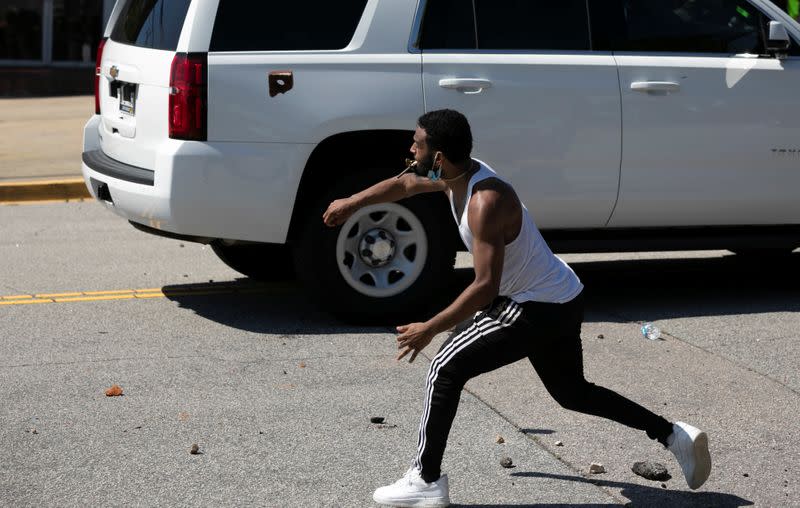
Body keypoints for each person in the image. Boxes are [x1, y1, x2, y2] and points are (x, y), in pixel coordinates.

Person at [323, 109, 711, 507]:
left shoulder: (483, 201)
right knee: (572, 393)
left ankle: (425, 479)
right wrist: (352, 202)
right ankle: (672, 435)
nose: (410, 148)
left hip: (534, 304)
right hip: (562, 294)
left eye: (416, 143)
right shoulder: (456, 175)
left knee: (444, 367)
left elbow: (485, 287)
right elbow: (405, 184)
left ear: (438, 157)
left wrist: (430, 327)